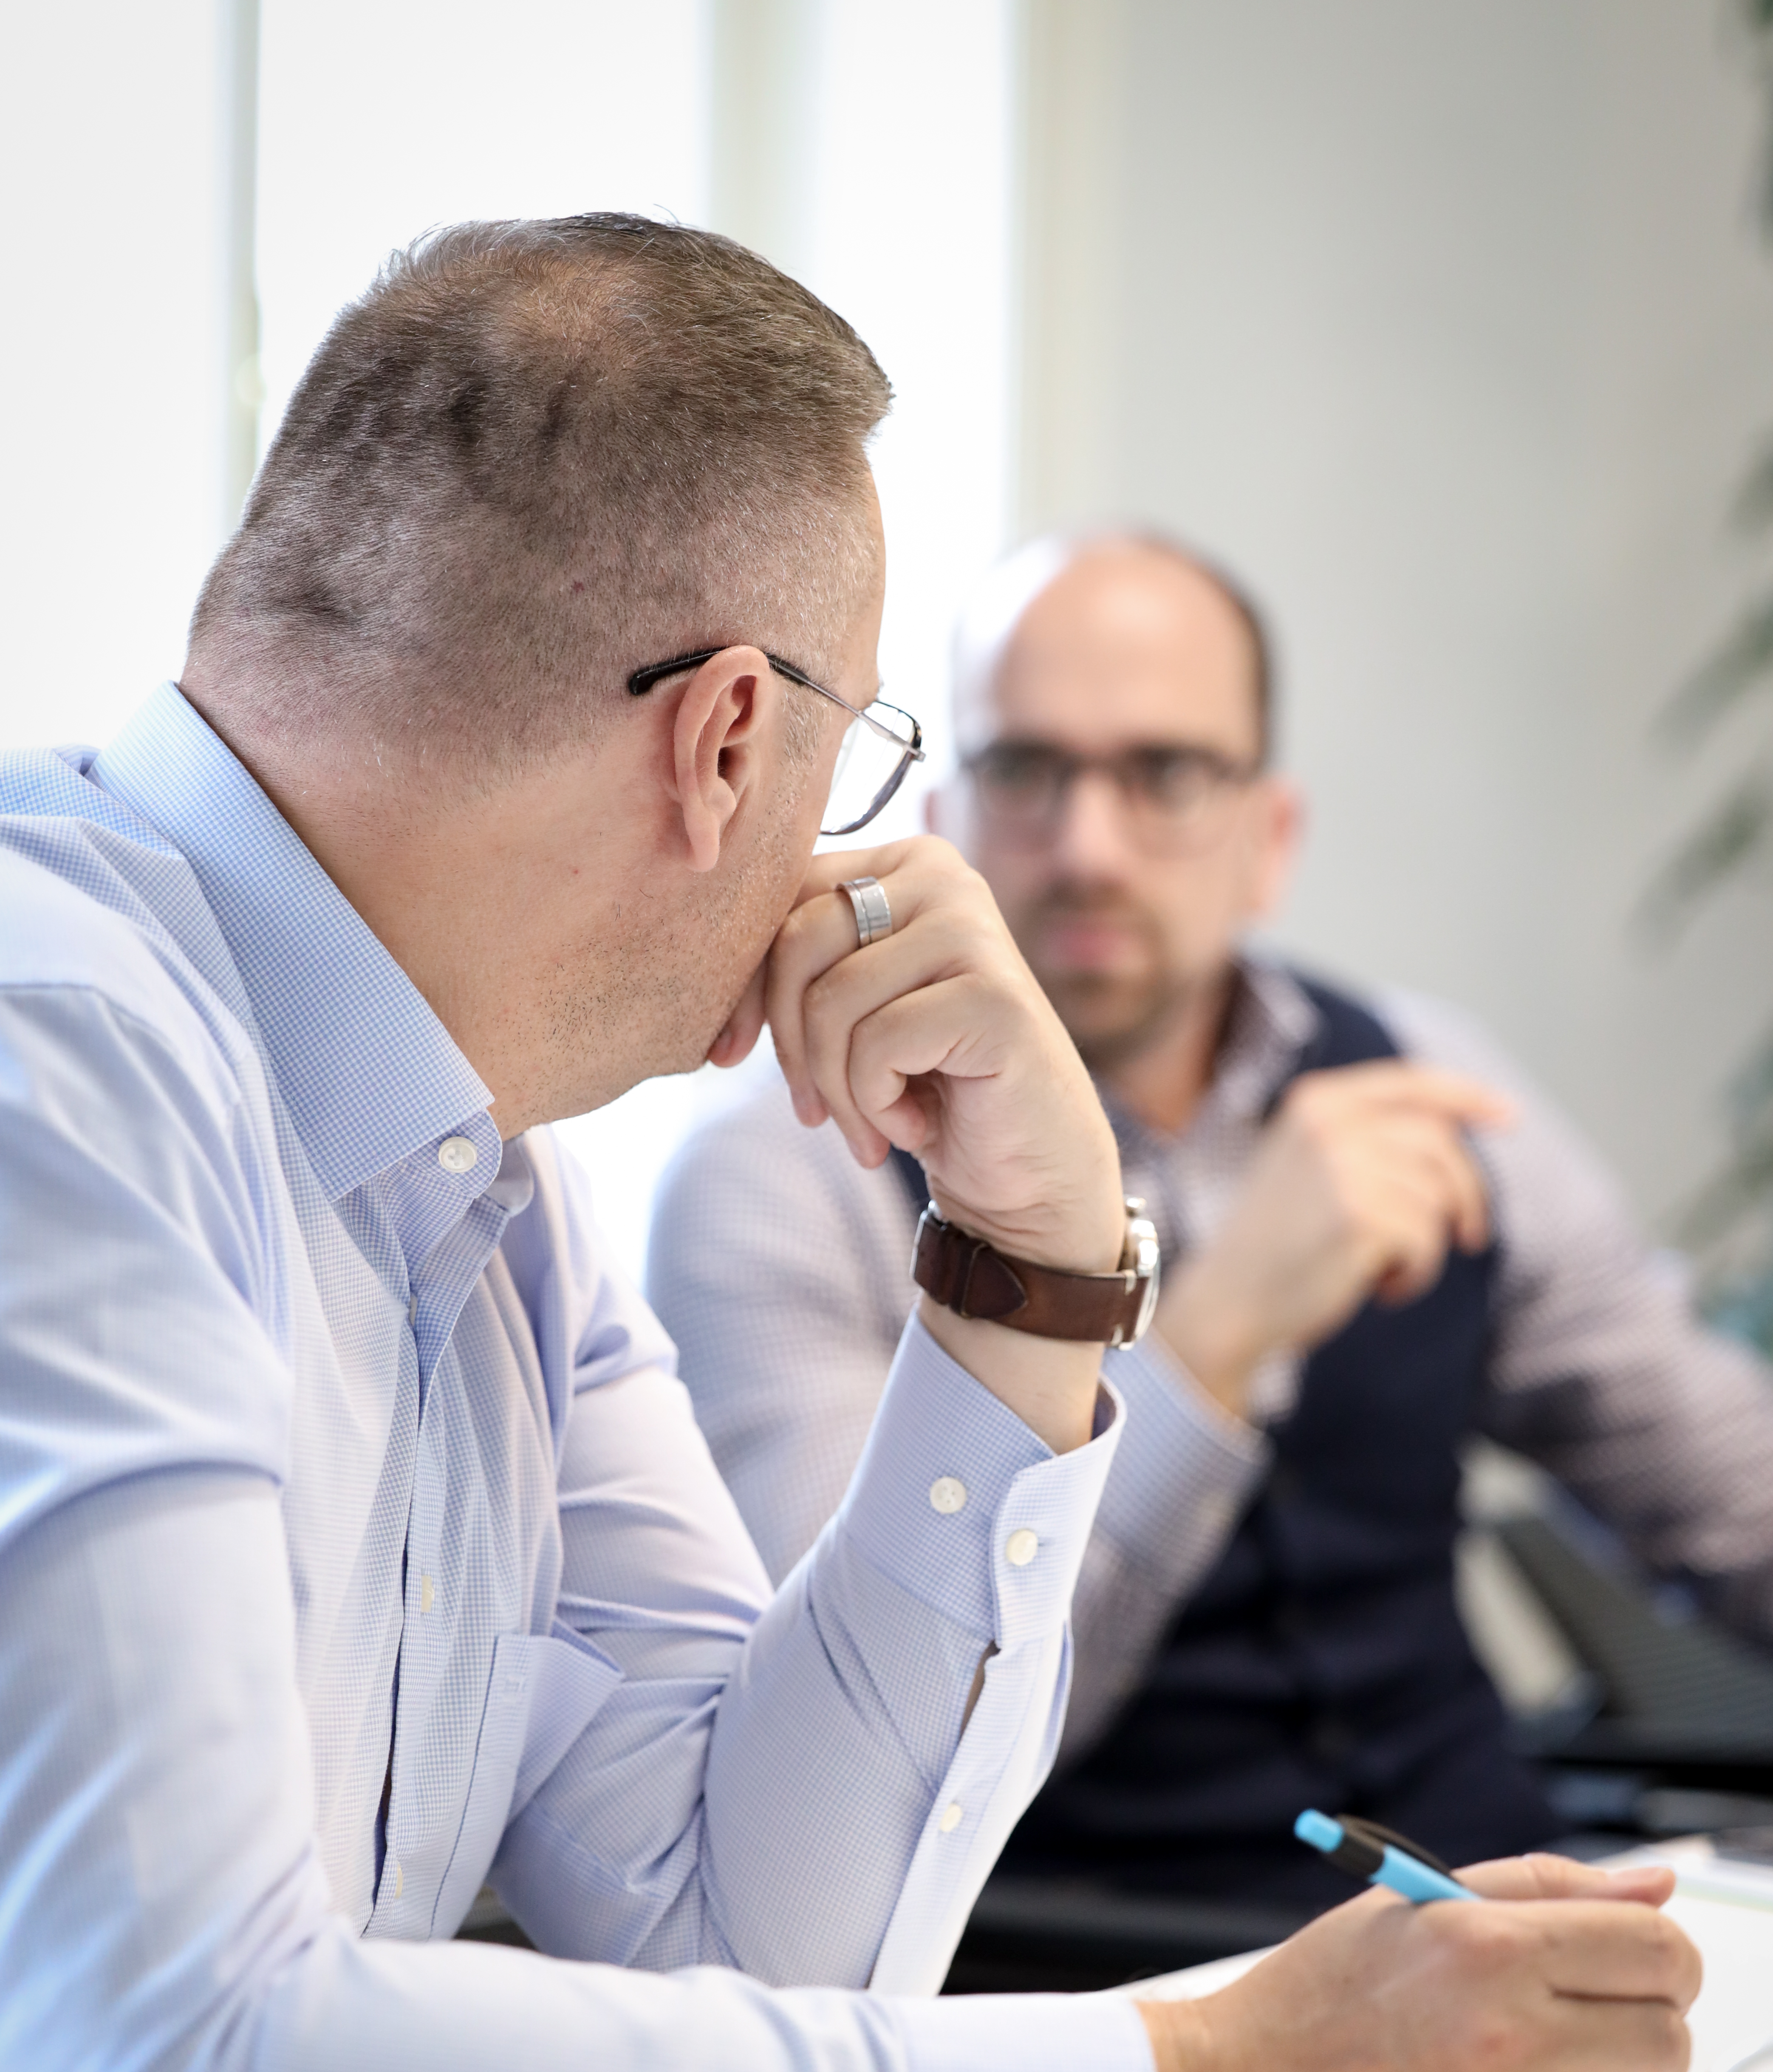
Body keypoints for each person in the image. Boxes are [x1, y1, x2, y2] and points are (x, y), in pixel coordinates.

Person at [0, 221, 1697, 2072]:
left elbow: (750, 1946)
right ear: (729, 741)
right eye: (868, 755)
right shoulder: (51, 1053)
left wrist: (1037, 1272)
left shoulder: (492, 1198)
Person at [651, 529, 1773, 1936]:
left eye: (1167, 775)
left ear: (1270, 839)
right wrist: (1221, 1331)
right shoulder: (789, 1169)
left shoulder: (1426, 1081)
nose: (1089, 846)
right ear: (941, 812)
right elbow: (866, 1759)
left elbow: (1730, 1496)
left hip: (1490, 1918)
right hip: (1093, 1990)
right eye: (1027, 772)